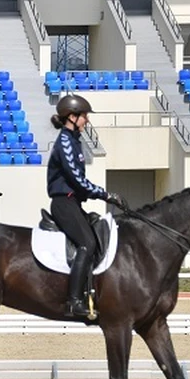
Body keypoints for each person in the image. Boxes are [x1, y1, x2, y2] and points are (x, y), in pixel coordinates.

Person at [46, 94, 127, 318]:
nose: (87, 121)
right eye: (84, 116)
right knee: (87, 244)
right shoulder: (65, 142)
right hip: (64, 203)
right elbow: (76, 179)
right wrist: (105, 194)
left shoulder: (73, 141)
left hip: (73, 202)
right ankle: (73, 301)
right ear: (71, 117)